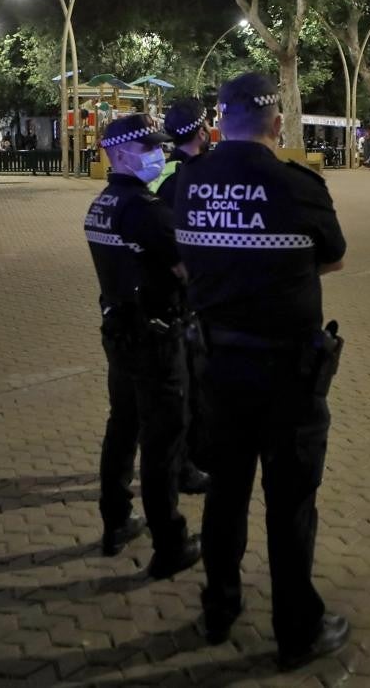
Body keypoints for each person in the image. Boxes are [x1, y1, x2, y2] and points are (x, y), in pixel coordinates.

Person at [172, 73, 350, 670]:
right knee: (290, 503)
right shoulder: (297, 185)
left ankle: (219, 610)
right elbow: (334, 257)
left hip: (217, 368)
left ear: (220, 121)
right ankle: (296, 629)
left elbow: (185, 258)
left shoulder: (188, 181)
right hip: (287, 376)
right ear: (277, 123)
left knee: (225, 494)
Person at [82, 114, 203, 579]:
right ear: (119, 154)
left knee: (123, 427)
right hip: (156, 337)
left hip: (118, 333)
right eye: (148, 148)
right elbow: (185, 268)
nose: (158, 154)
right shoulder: (146, 210)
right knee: (162, 440)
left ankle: (116, 521)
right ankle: (169, 543)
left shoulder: (101, 205)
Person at [149, 98, 216, 497]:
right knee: (189, 387)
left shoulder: (164, 172)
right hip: (186, 295)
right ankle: (185, 465)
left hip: (162, 293)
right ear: (201, 131)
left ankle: (181, 459)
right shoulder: (193, 176)